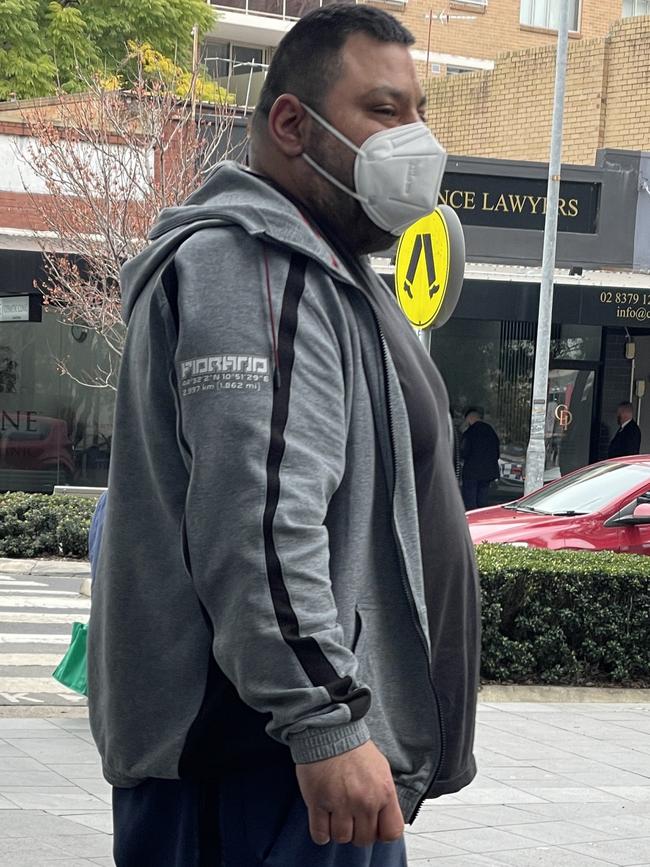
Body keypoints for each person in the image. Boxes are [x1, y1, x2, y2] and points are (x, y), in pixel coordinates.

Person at [87, 7, 480, 866]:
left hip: (297, 767)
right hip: (261, 768)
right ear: (292, 125)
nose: (414, 138)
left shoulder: (332, 273)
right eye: (383, 110)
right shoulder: (258, 265)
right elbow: (255, 520)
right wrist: (326, 725)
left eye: (420, 112)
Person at [461, 407, 500, 510]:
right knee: (482, 498)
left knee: (470, 499)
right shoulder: (490, 431)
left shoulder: (470, 432)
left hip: (472, 472)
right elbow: (497, 453)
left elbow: (464, 452)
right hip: (488, 472)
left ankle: (472, 518)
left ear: (469, 419)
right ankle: (480, 515)